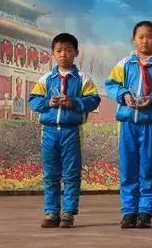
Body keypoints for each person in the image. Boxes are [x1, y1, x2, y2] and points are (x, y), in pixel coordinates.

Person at [105, 21, 152, 229]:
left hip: (149, 124)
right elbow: (111, 84)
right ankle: (129, 211)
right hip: (127, 123)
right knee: (128, 168)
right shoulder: (124, 64)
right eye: (141, 36)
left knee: (148, 168)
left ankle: (146, 210)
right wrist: (124, 95)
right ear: (134, 39)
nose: (145, 40)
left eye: (149, 36)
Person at [29, 33, 101, 228]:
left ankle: (68, 213)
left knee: (71, 174)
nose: (63, 54)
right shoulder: (46, 79)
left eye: (68, 50)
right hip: (49, 132)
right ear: (53, 54)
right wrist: (47, 102)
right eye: (59, 51)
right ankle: (51, 212)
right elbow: (33, 101)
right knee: (50, 174)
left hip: (71, 132)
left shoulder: (83, 79)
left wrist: (74, 102)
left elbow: (94, 100)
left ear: (76, 53)